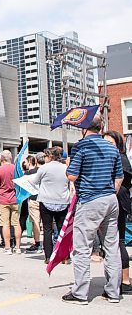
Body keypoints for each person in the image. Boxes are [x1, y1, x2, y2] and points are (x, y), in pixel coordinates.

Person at [62, 116, 123, 305]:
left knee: (82, 248)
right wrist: (109, 194)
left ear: (83, 128)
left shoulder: (82, 147)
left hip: (89, 200)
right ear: (101, 127)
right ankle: (113, 291)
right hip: (110, 199)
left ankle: (80, 293)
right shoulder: (112, 148)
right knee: (112, 247)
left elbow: (72, 176)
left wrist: (67, 167)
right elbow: (118, 177)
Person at [27, 147, 70, 263]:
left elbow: (34, 181)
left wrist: (27, 179)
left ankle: (48, 257)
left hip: (46, 200)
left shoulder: (44, 168)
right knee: (62, 229)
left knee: (47, 229)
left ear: (50, 156)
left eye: (46, 156)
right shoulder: (65, 167)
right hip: (62, 200)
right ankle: (65, 256)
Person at [103, 131, 132, 294]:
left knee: (117, 241)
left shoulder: (120, 159)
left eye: (110, 143)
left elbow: (122, 181)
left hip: (119, 202)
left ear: (118, 145)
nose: (107, 146)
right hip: (114, 201)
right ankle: (118, 280)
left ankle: (125, 280)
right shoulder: (114, 158)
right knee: (112, 242)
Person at [0, 150, 21, 254]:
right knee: (16, 223)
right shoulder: (16, 169)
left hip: (3, 199)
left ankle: (8, 247)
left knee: (5, 224)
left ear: (1, 159)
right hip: (15, 199)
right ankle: (18, 247)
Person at [24, 155, 43, 254]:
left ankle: (37, 243)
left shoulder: (28, 173)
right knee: (46, 223)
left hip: (33, 199)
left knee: (35, 222)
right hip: (44, 199)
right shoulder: (43, 170)